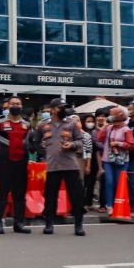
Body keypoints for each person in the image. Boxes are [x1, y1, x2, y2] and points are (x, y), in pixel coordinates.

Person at [32, 98, 86, 236]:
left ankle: (78, 225)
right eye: (60, 107)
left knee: (77, 196)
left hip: (71, 165)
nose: (63, 110)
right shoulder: (43, 125)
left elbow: (80, 141)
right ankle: (49, 224)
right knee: (50, 196)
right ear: (53, 109)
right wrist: (45, 152)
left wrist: (72, 145)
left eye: (64, 107)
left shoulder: (72, 124)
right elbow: (35, 142)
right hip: (52, 166)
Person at [0, 96, 32, 234]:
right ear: (8, 106)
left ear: (21, 106)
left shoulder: (26, 124)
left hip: (21, 163)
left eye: (18, 104)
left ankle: (19, 223)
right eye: (13, 104)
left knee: (19, 194)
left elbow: (28, 143)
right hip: (4, 163)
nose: (16, 106)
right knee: (2, 193)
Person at [98, 107, 134, 216]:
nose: (109, 115)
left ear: (119, 115)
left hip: (122, 160)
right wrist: (104, 126)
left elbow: (132, 145)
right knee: (109, 182)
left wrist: (118, 144)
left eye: (111, 114)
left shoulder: (126, 129)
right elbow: (100, 139)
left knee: (119, 183)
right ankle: (109, 205)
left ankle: (118, 204)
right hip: (107, 159)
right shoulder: (109, 128)